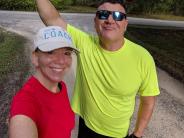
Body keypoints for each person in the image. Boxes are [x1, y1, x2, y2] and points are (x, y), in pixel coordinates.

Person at [36, 0, 160, 138]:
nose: (110, 20)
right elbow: (52, 18)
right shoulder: (85, 43)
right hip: (86, 125)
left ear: (125, 24)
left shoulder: (142, 57)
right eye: (103, 14)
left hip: (117, 134)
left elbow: (148, 100)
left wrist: (137, 134)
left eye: (118, 16)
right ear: (95, 22)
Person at [8, 26, 79, 138]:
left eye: (67, 53)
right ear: (35, 58)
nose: (61, 60)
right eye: (51, 52)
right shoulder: (25, 105)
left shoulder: (61, 87)